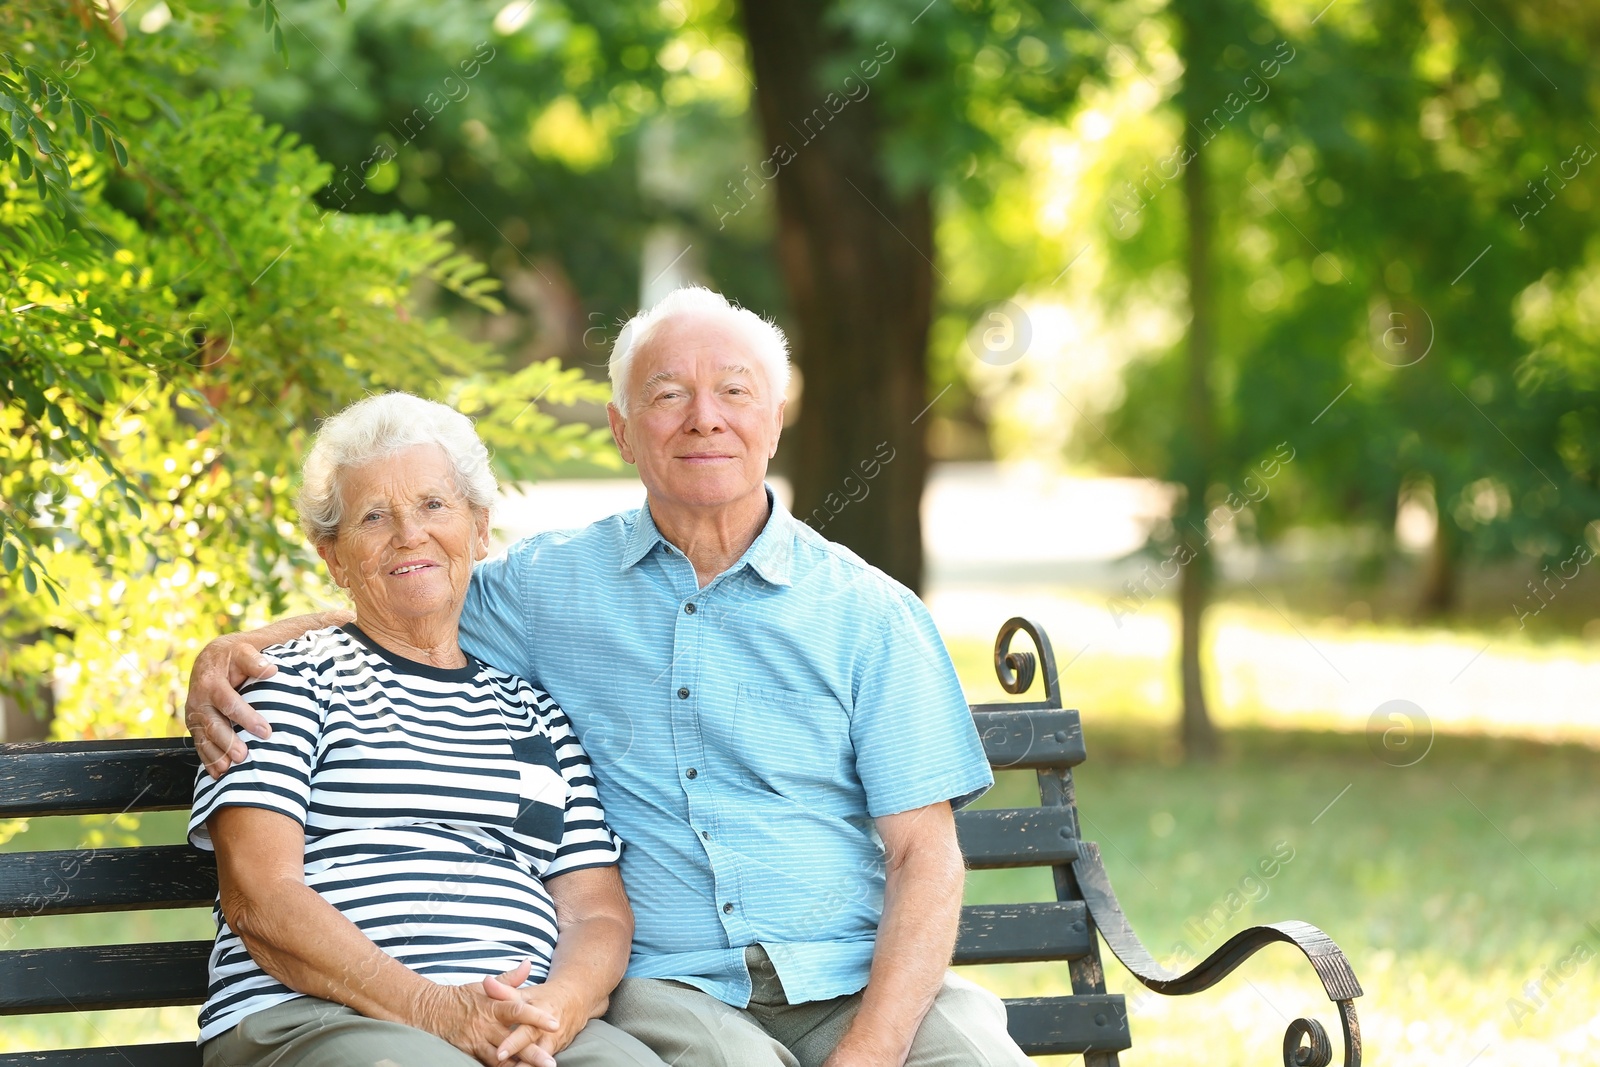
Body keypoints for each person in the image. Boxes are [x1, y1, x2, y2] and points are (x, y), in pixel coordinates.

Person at [187, 287, 1033, 1067]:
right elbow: (408, 595)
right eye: (668, 394)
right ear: (623, 429)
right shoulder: (545, 587)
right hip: (677, 987)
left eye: (734, 392)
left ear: (776, 417)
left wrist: (872, 1051)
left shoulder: (871, 613)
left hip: (853, 975)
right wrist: (247, 646)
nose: (704, 419)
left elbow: (926, 854)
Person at [187, 394, 666, 1067]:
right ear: (334, 557)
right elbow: (260, 896)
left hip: (517, 1024)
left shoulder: (534, 716)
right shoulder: (289, 683)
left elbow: (597, 913)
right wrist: (431, 1008)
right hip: (322, 1018)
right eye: (373, 516)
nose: (409, 533)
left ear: (478, 529)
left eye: (434, 505)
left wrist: (555, 1009)